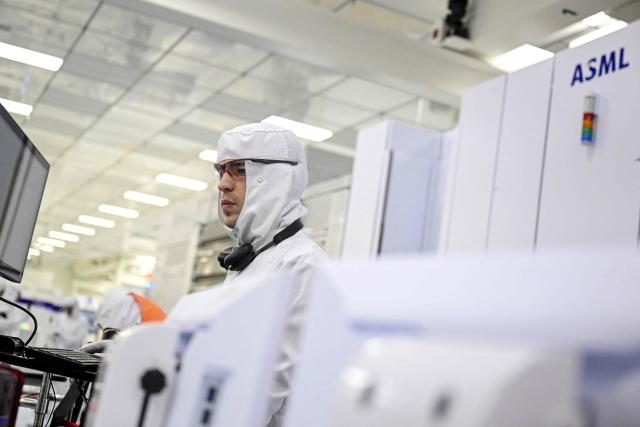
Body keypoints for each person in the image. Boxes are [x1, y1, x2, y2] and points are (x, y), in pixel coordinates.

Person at [215, 122, 328, 426]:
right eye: (221, 170)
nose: (223, 184)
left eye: (239, 170)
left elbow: (269, 388)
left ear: (276, 179)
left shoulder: (303, 265)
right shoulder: (249, 260)